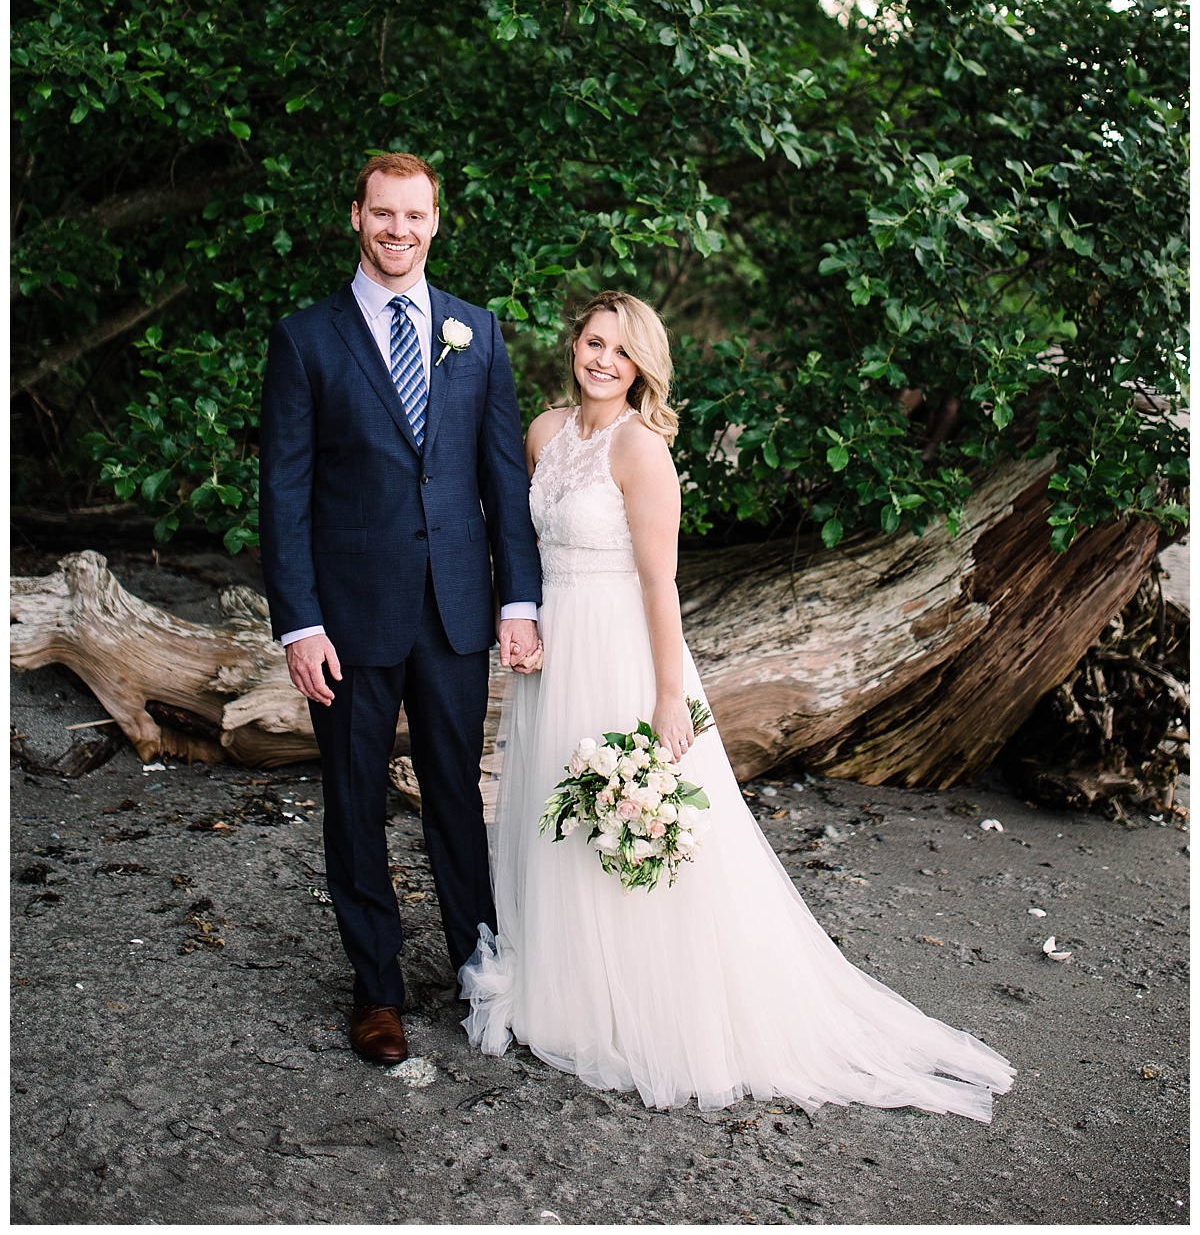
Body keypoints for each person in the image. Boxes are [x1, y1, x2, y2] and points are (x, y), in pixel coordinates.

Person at [460, 292, 1015, 1118]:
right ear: (572, 344)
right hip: (556, 649)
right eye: (593, 341)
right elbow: (521, 543)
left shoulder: (642, 450)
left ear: (644, 365)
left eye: (623, 350)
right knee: (556, 806)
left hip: (620, 647)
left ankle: (640, 1002)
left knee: (627, 815)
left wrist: (667, 696)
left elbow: (660, 581)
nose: (603, 359)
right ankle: (566, 991)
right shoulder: (544, 432)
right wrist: (522, 618)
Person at [258, 151, 541, 1066]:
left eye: (414, 216)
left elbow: (503, 476)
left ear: (434, 221)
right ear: (356, 217)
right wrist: (299, 623)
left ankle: (479, 966)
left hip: (456, 610)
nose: (398, 230)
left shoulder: (476, 331)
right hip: (347, 618)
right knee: (353, 799)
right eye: (383, 214)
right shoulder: (306, 339)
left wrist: (518, 599)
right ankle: (376, 988)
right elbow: (285, 493)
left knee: (457, 794)